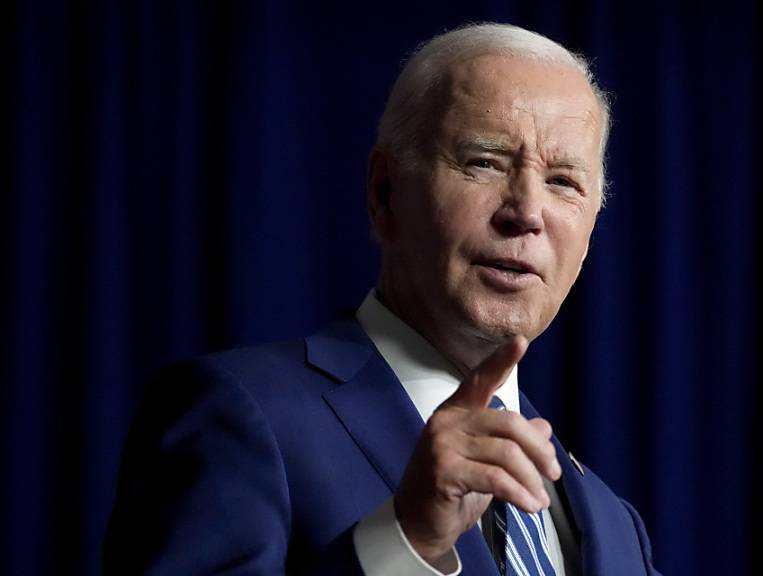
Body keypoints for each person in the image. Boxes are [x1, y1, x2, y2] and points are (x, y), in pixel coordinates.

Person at [104, 23, 660, 575]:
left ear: (588, 236)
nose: (527, 213)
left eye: (563, 181)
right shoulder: (239, 417)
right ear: (385, 192)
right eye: (484, 161)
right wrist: (404, 543)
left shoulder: (615, 526)